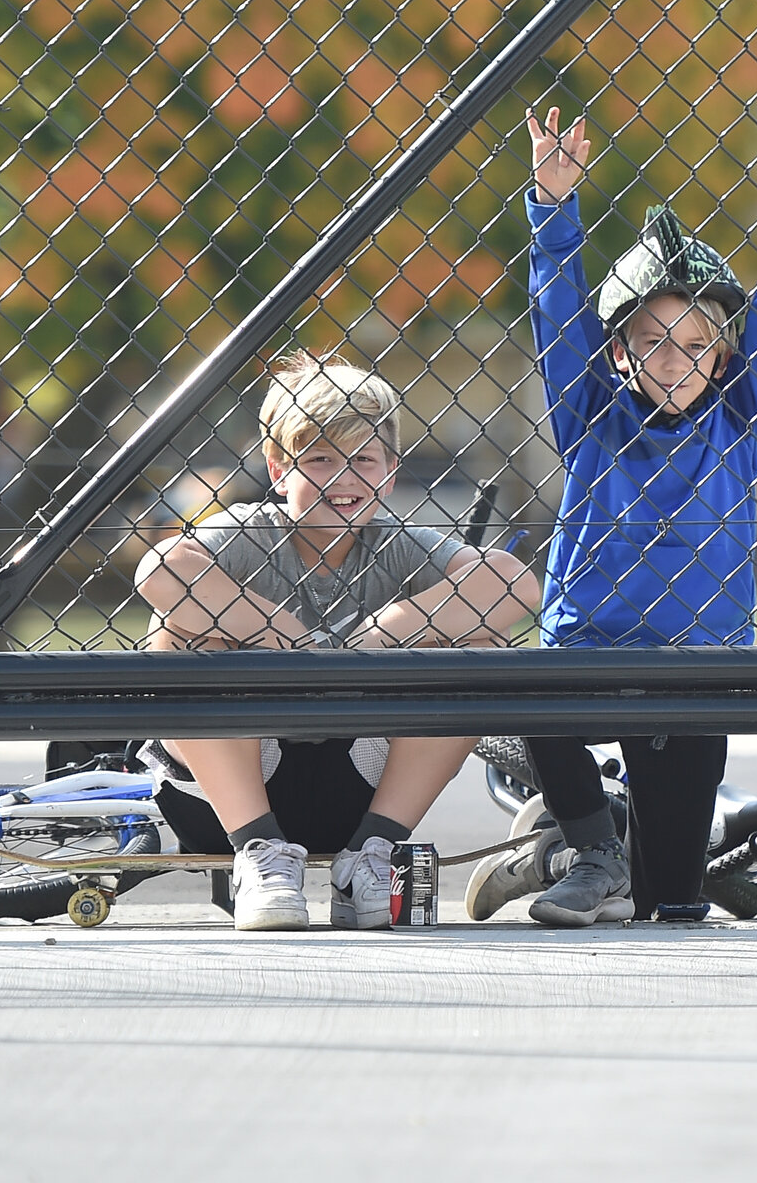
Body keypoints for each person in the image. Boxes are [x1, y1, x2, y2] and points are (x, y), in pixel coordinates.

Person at [465, 101, 757, 927]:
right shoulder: (589, 411)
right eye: (650, 340)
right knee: (530, 695)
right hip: (588, 649)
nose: (673, 360)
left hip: (697, 659)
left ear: (722, 354)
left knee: (675, 904)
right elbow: (556, 309)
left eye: (694, 344)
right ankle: (590, 845)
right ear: (619, 349)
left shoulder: (739, 416)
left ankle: (610, 852)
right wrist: (552, 207)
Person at [136, 355, 541, 930]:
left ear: (390, 473)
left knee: (478, 641)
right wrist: (276, 631)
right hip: (238, 785)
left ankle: (372, 857)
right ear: (279, 467)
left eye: (363, 460)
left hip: (358, 788)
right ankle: (261, 856)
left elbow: (512, 582)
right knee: (174, 634)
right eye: (321, 458)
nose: (344, 478)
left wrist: (388, 629)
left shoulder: (396, 544)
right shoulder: (249, 531)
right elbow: (160, 570)